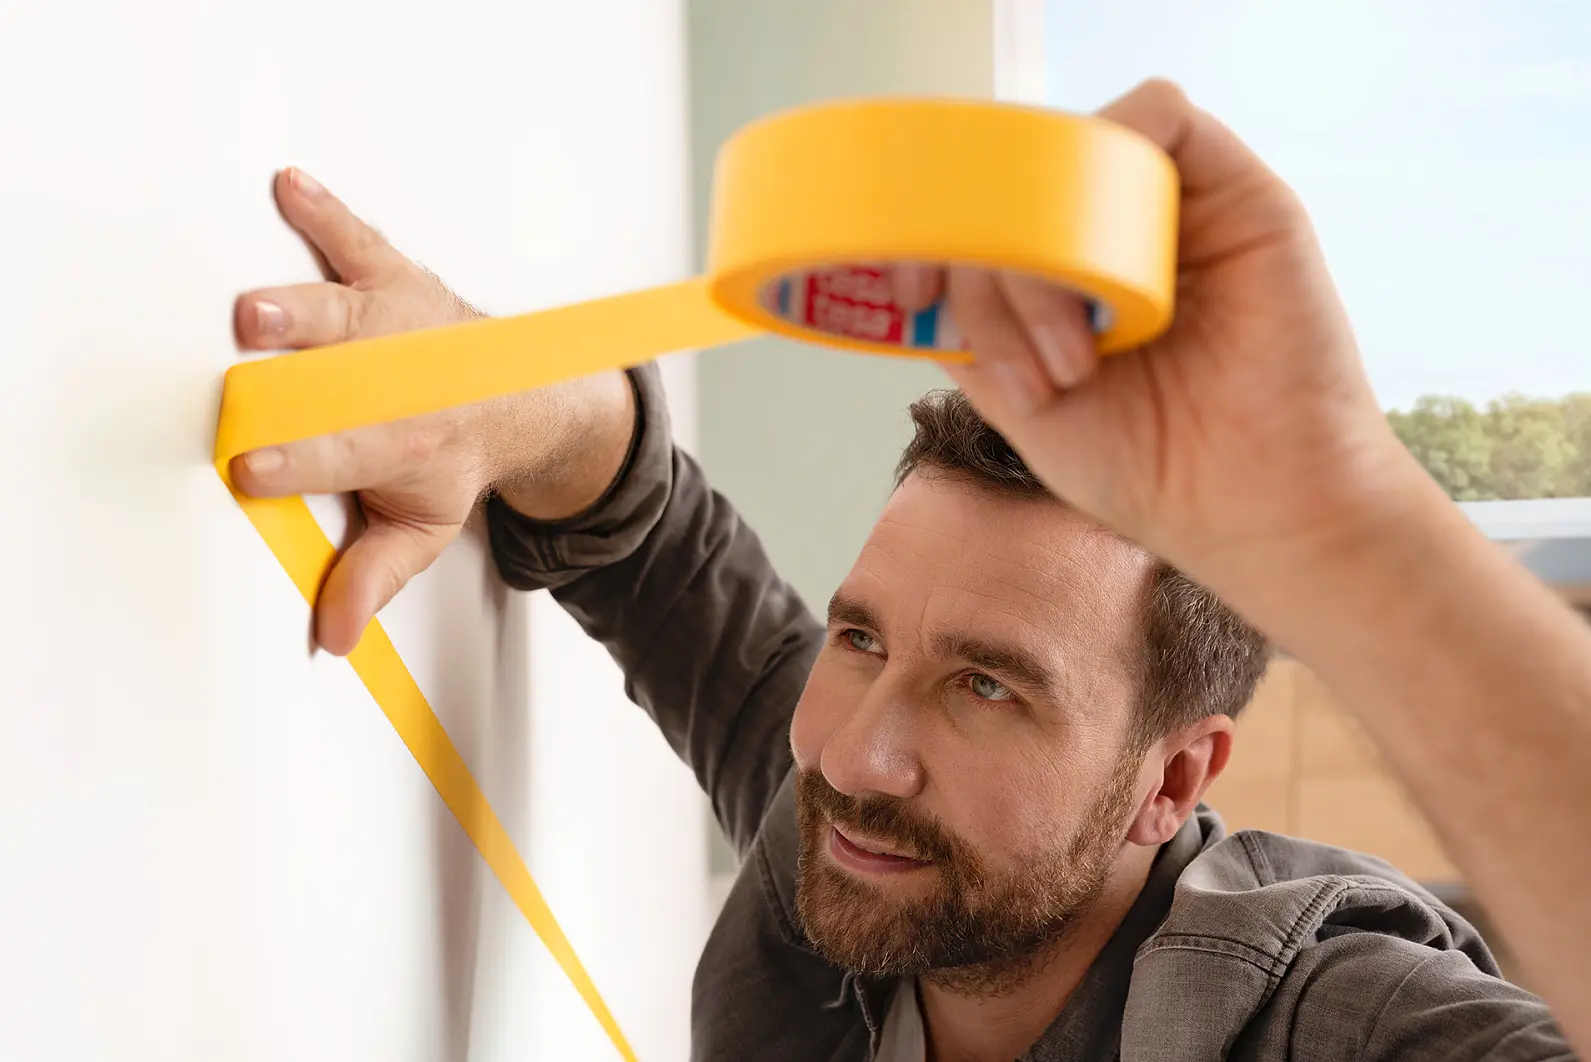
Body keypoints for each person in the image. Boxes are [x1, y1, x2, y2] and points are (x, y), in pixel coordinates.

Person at [228, 80, 1588, 1061]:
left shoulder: (1329, 1018)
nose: (858, 750)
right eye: (861, 636)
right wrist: (494, 402)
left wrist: (1346, 521)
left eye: (988, 689)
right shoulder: (859, 841)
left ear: (1169, 783)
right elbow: (651, 538)